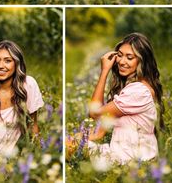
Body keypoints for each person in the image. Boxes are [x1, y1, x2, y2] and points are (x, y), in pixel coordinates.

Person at [67, 33, 164, 168]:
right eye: (119, 55)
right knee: (70, 142)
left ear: (142, 61)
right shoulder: (138, 87)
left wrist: (104, 71)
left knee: (66, 145)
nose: (121, 61)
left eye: (129, 57)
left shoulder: (138, 91)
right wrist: (79, 138)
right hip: (126, 156)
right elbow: (99, 132)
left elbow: (94, 113)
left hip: (128, 161)